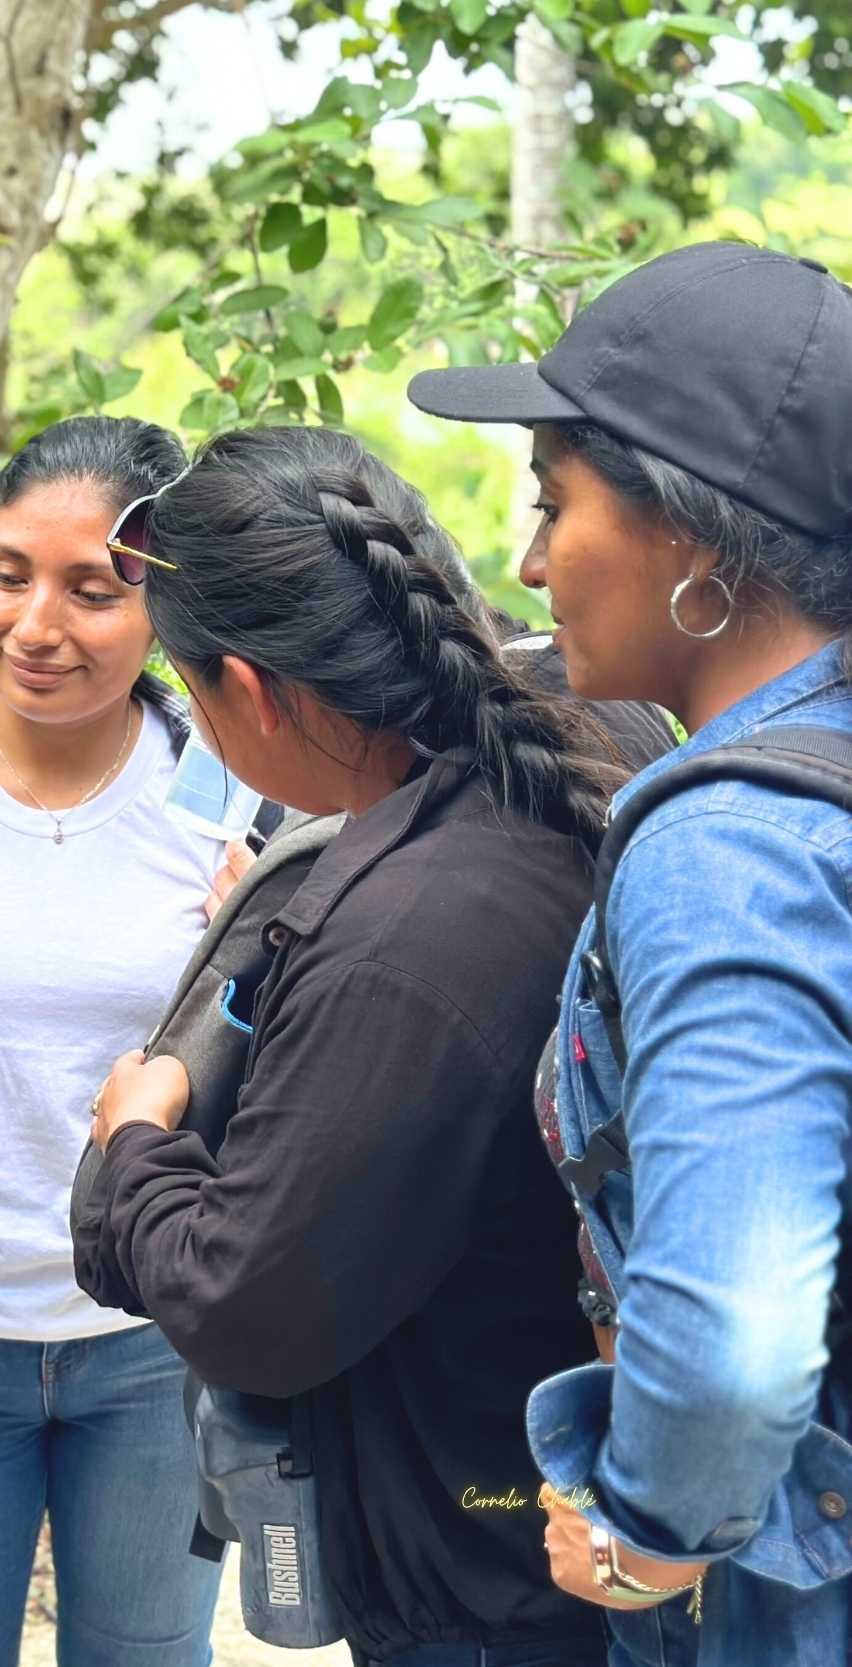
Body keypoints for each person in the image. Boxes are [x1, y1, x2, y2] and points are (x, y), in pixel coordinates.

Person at [72, 424, 616, 1667]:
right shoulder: (577, 749)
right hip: (559, 1517)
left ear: (250, 690)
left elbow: (247, 1301)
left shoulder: (399, 939)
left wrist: (139, 1135)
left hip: (478, 1575)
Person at [410, 240, 852, 1667]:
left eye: (556, 506)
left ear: (698, 543)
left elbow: (729, 1324)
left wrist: (648, 1526)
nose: (531, 562)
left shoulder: (728, 848)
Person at [0, 415, 223, 1667]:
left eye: (93, 589)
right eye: (9, 572)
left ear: (168, 604)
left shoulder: (231, 785)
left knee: (145, 1651)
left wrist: (267, 928)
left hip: (153, 1343)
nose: (36, 625)